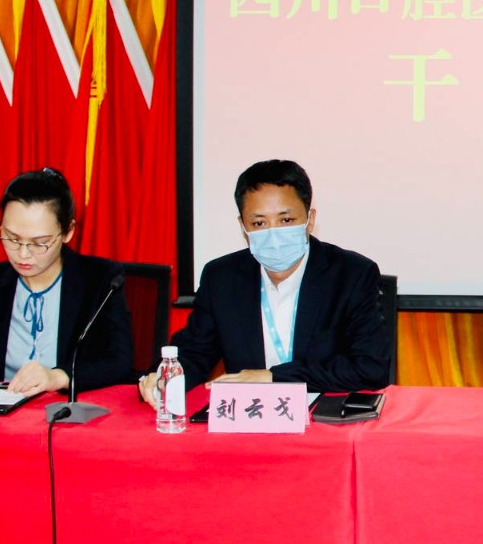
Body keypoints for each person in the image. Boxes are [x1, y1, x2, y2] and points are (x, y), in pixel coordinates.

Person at [139, 159, 389, 405]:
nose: (273, 233)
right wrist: (164, 377)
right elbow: (195, 352)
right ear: (243, 227)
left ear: (310, 219)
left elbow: (369, 367)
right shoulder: (222, 278)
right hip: (249, 418)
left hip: (324, 416)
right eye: (259, 223)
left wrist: (273, 377)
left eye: (286, 220)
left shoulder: (352, 274)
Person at [0, 168, 133, 396]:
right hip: (7, 413)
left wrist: (58, 377)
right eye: (12, 238)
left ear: (67, 231)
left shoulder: (100, 279)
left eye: (39, 243)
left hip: (69, 411)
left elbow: (119, 362)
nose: (23, 254)